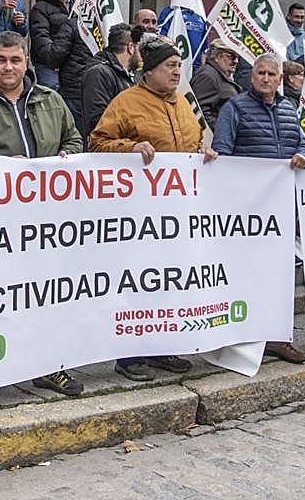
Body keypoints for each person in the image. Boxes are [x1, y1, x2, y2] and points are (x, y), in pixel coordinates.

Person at [0, 31, 84, 396]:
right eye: (1, 60)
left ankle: (49, 366)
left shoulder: (51, 100)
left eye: (15, 60)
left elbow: (74, 139)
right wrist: (4, 168)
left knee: (48, 294)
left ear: (27, 62)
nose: (8, 67)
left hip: (47, 219)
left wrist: (63, 160)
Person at [90, 36, 215, 381]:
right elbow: (97, 143)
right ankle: (130, 357)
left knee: (169, 280)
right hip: (138, 214)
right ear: (151, 70)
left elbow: (193, 143)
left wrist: (204, 152)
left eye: (178, 65)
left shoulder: (183, 104)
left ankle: (163, 347)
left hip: (177, 213)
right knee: (138, 280)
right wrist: (131, 147)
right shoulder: (126, 102)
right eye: (170, 66)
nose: (177, 72)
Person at [211, 53, 305, 364]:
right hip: (247, 212)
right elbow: (223, 154)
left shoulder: (289, 109)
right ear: (251, 77)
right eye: (260, 73)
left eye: (271, 74)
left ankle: (278, 337)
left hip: (282, 209)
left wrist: (304, 155)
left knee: (279, 276)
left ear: (280, 79)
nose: (266, 78)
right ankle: (243, 337)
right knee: (248, 275)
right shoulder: (235, 108)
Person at [81, 23, 140, 137]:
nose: (142, 54)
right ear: (131, 47)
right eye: (140, 48)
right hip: (107, 151)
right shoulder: (99, 73)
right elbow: (98, 120)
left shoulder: (127, 75)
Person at [38, 15, 95, 128]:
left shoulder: (72, 25)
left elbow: (55, 55)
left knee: (74, 129)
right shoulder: (106, 25)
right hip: (96, 90)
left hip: (74, 88)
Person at [28, 0, 72, 90]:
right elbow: (40, 37)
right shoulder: (40, 9)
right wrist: (55, 60)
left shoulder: (76, 6)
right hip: (47, 66)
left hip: (69, 65)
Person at [190, 41, 243, 129]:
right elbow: (199, 112)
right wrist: (224, 131)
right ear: (218, 56)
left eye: (238, 57)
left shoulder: (216, 74)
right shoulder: (207, 75)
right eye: (232, 56)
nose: (236, 61)